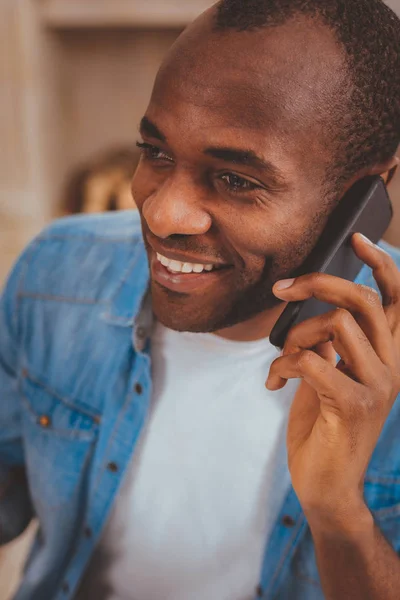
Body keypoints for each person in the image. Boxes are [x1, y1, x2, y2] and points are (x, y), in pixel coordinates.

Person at [1, 1, 400, 599]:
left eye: (236, 179)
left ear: (368, 191)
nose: (161, 213)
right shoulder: (59, 274)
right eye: (155, 151)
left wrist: (339, 516)